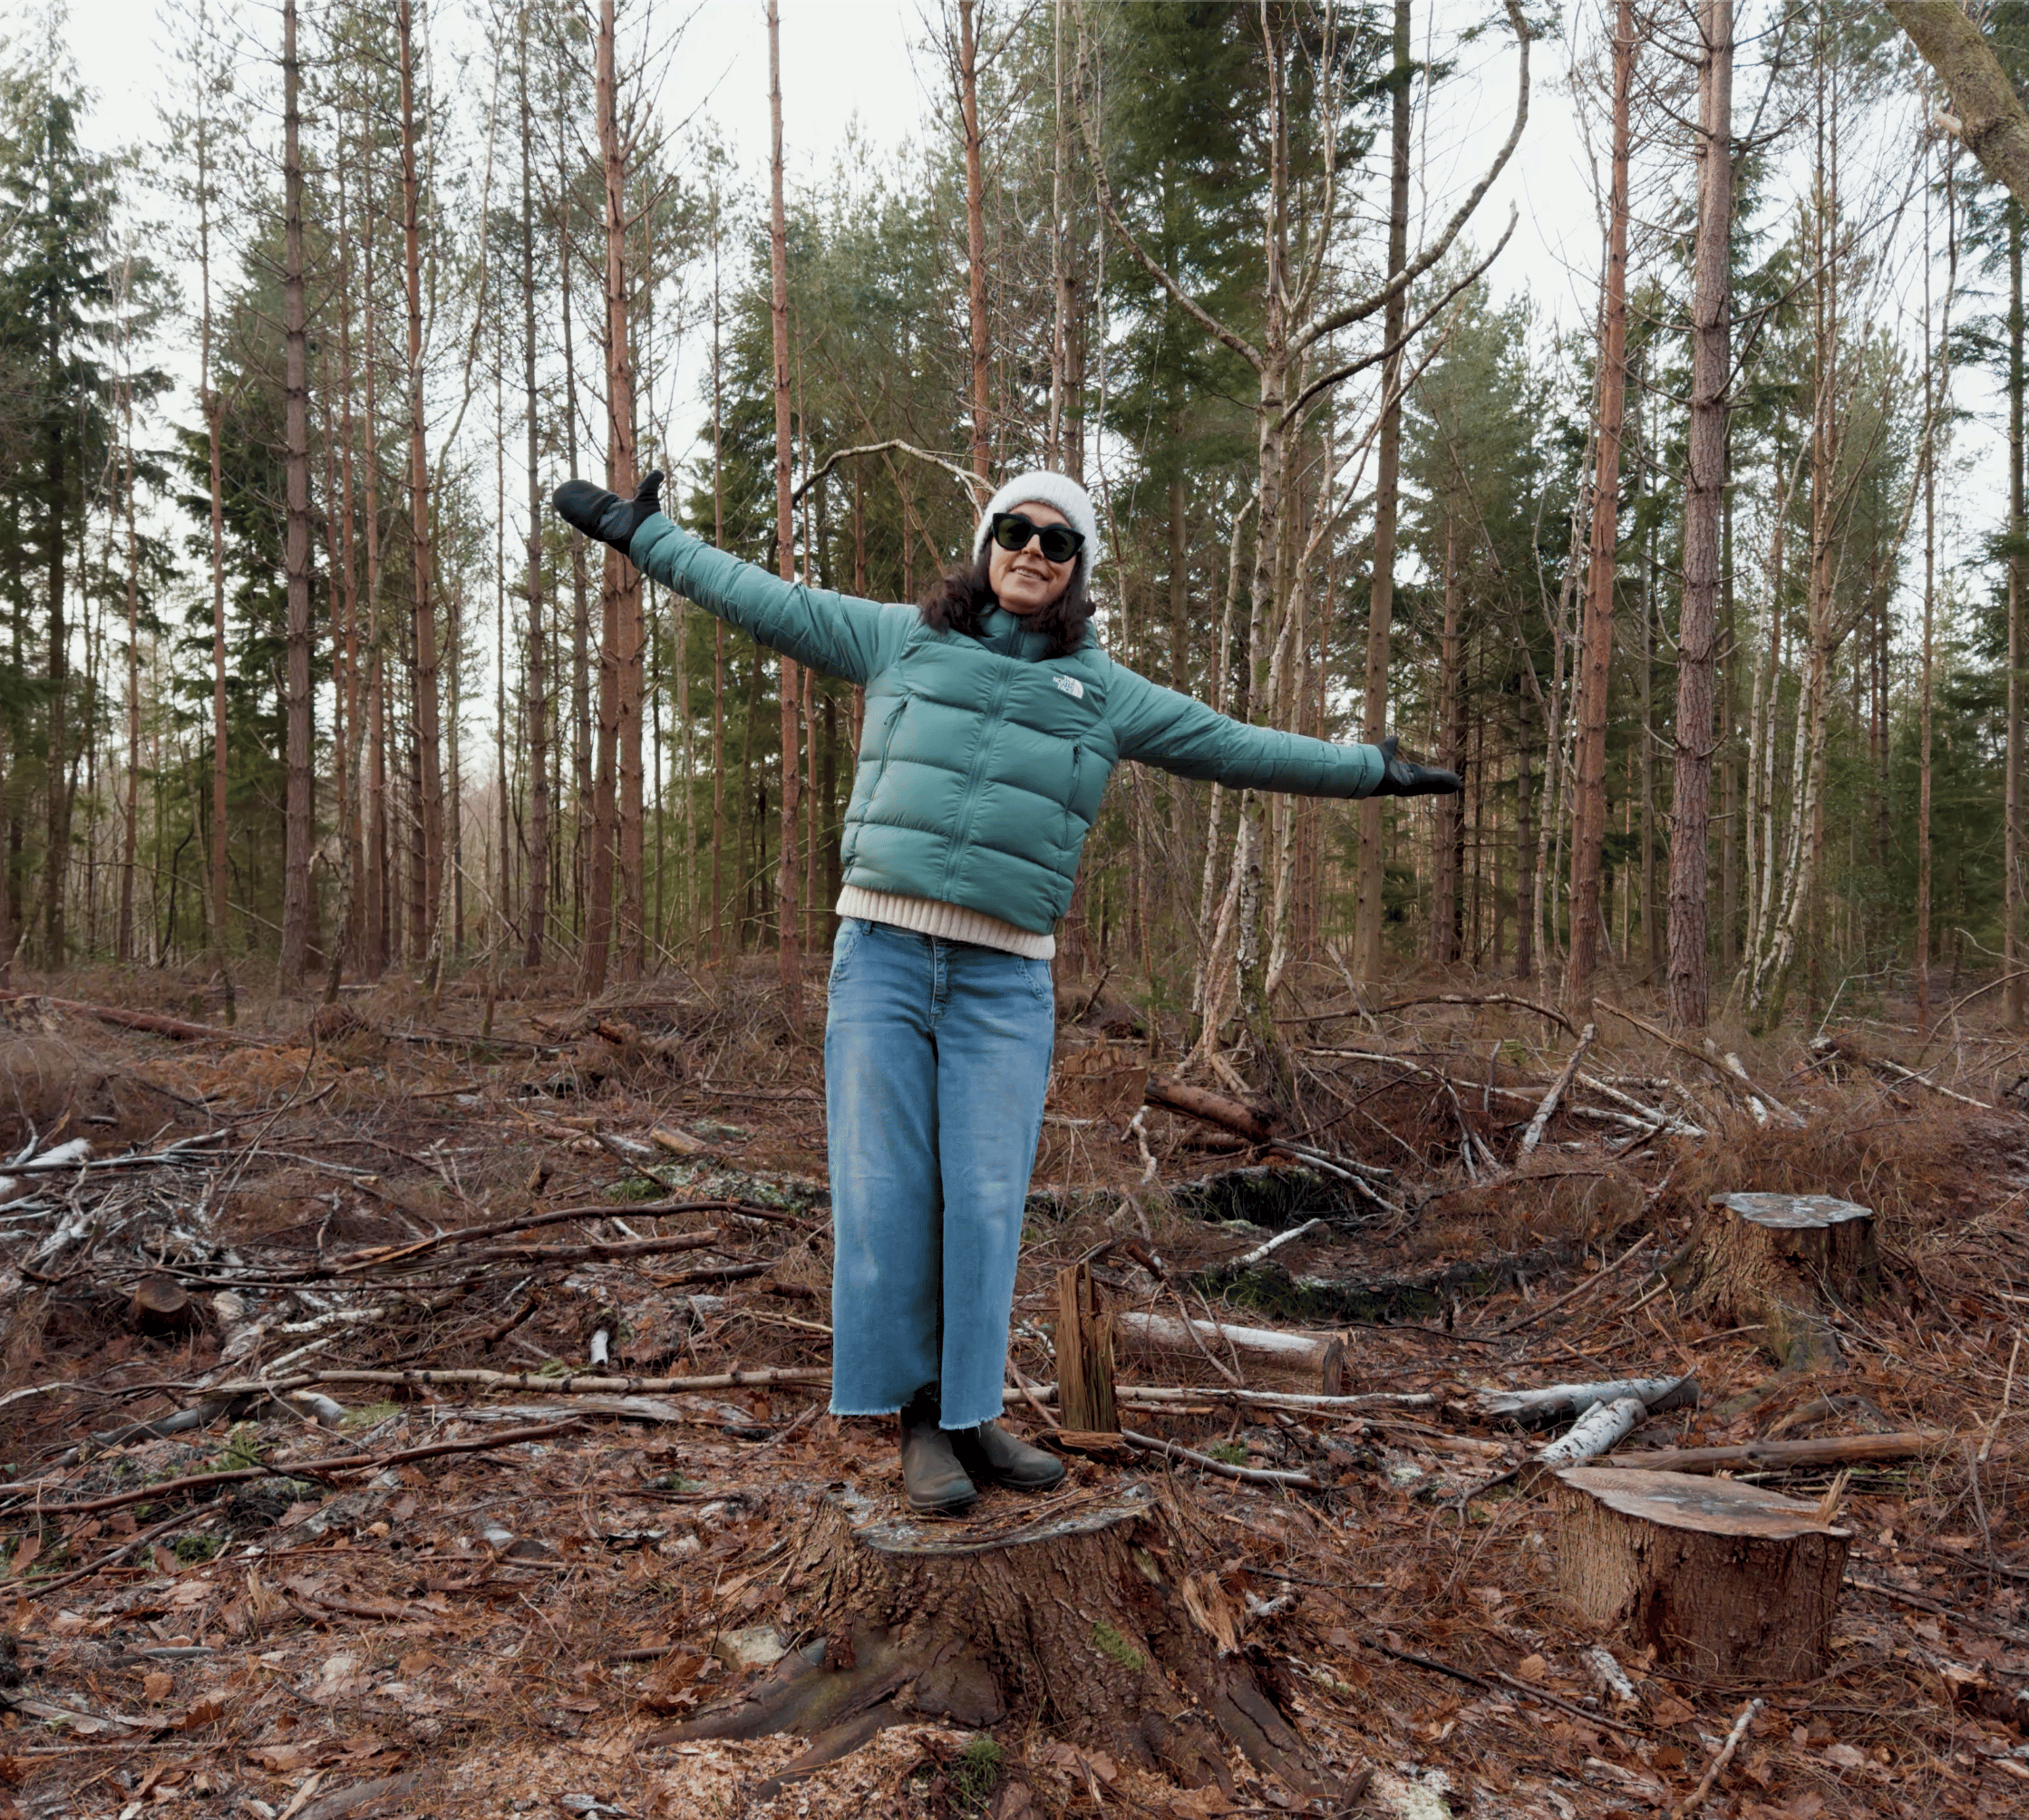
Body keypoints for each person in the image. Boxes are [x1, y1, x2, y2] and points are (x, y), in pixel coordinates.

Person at [554, 466, 1460, 1513]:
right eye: (1015, 530)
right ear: (987, 542)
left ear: (1077, 572)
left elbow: (1235, 746)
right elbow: (761, 598)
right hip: (884, 959)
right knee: (888, 1194)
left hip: (1005, 980)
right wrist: (640, 536)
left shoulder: (1104, 691)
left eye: (1057, 540)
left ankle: (973, 1411)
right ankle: (918, 1424)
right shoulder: (898, 637)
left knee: (985, 1203)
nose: (1033, 549)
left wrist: (1372, 768)